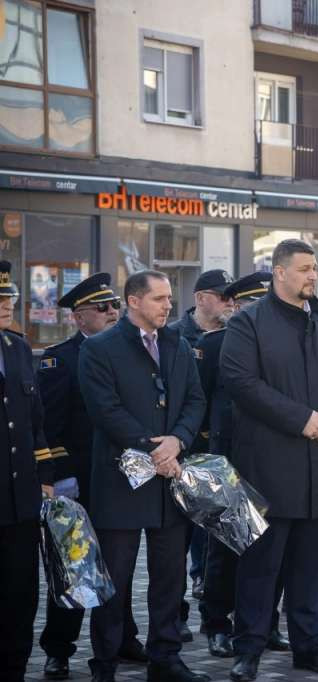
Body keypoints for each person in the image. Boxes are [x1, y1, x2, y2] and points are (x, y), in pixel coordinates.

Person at [220, 240, 318, 681]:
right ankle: (249, 649)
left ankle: (309, 646)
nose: (312, 275)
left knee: (311, 568)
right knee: (260, 569)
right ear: (279, 272)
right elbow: (241, 382)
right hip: (270, 467)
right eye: (303, 268)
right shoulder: (248, 322)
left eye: (314, 268)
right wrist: (301, 419)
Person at [78, 270, 208, 682]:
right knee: (114, 579)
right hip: (120, 484)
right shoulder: (100, 348)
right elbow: (105, 410)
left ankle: (165, 658)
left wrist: (178, 440)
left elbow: (195, 400)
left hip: (169, 482)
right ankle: (105, 662)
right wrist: (155, 448)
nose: (169, 305)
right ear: (133, 301)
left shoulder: (177, 344)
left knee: (170, 577)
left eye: (169, 298)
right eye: (159, 298)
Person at [36, 274, 148, 679]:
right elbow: (49, 425)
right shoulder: (60, 359)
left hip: (119, 477)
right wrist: (62, 477)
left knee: (120, 565)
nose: (113, 312)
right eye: (103, 308)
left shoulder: (131, 351)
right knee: (73, 565)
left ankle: (123, 638)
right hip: (80, 479)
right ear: (78, 317)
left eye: (115, 305)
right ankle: (59, 648)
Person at [194, 273, 289, 659]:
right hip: (228, 460)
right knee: (226, 548)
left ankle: (265, 624)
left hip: (274, 458)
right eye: (251, 304)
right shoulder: (213, 344)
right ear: (235, 306)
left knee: (272, 551)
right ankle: (217, 623)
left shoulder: (283, 345)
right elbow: (198, 402)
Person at [168, 269, 234, 638]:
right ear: (201, 298)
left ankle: (214, 614)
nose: (229, 303)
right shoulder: (175, 336)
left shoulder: (232, 338)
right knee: (175, 543)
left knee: (217, 541)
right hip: (186, 452)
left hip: (222, 453)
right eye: (223, 296)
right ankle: (174, 617)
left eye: (232, 297)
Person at [0, 260, 55, 682]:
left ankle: (14, 669)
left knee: (21, 594)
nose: (8, 305)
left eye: (10, 297)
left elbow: (35, 421)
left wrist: (46, 478)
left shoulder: (17, 348)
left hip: (21, 500)